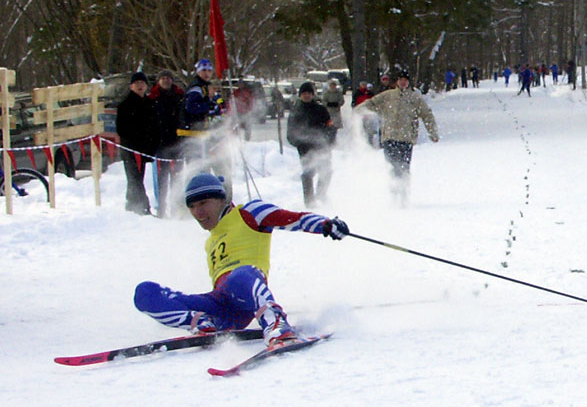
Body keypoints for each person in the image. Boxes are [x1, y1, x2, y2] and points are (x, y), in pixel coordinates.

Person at [133, 173, 350, 350]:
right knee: (145, 292)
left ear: (221, 200)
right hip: (221, 308)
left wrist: (326, 224)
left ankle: (276, 323)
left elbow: (295, 219)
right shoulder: (211, 241)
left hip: (245, 292)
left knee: (239, 275)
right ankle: (201, 324)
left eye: (203, 203)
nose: (198, 212)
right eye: (192, 207)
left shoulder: (249, 213)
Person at [354, 69, 439, 203]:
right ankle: (394, 195)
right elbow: (372, 103)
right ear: (397, 82)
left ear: (409, 82)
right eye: (401, 80)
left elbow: (426, 114)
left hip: (406, 138)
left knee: (404, 167)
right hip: (389, 137)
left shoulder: (415, 98)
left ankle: (403, 195)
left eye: (405, 80)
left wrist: (432, 132)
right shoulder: (387, 96)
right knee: (392, 166)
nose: (403, 82)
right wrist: (358, 111)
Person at [177, 58, 230, 196]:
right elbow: (191, 107)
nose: (207, 73)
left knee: (204, 167)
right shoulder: (197, 87)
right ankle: (193, 197)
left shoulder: (204, 86)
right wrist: (208, 105)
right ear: (198, 71)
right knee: (196, 168)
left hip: (201, 134)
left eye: (209, 70)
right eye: (204, 70)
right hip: (192, 134)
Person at [116, 71, 160, 215]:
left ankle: (131, 205)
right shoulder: (125, 105)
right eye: (137, 84)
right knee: (134, 178)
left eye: (142, 83)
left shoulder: (150, 103)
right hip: (130, 149)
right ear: (131, 86)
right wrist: (135, 141)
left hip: (144, 148)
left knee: (137, 177)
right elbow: (122, 129)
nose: (140, 86)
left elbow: (154, 126)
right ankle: (142, 207)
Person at [287, 81, 337, 207]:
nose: (307, 96)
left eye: (309, 93)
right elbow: (290, 133)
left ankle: (321, 194)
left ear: (313, 95)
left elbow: (330, 127)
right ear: (300, 95)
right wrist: (299, 143)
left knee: (326, 171)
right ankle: (309, 201)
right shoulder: (295, 112)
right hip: (305, 149)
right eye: (304, 93)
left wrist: (328, 140)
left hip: (322, 146)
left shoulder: (320, 109)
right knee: (308, 174)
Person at [148, 69, 185, 217]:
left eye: (168, 78)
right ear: (158, 81)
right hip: (160, 143)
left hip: (177, 142)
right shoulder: (153, 97)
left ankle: (177, 207)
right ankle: (161, 208)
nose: (165, 80)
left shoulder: (179, 95)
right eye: (162, 78)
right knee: (161, 178)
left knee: (177, 177)